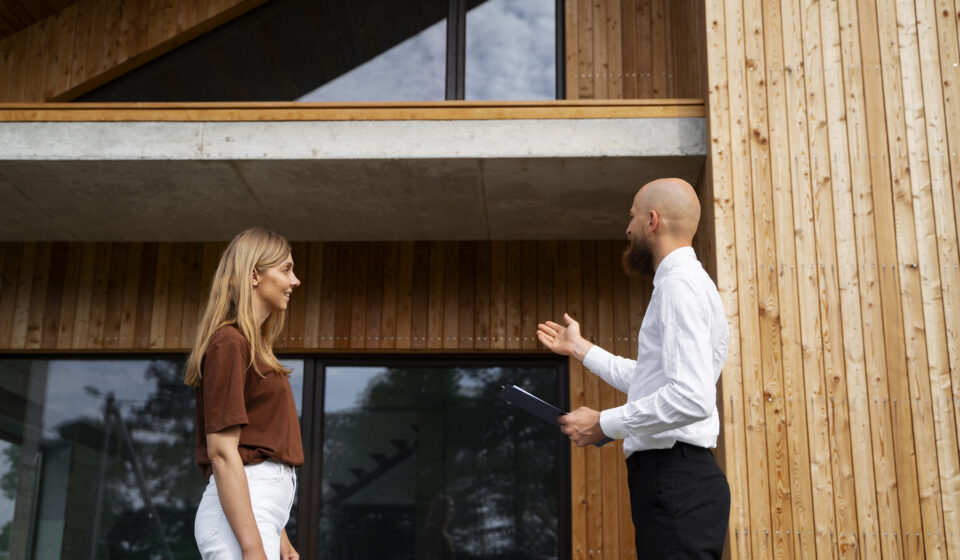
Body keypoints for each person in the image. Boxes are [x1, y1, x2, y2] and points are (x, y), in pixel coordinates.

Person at [537, 178, 730, 559]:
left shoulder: (679, 287)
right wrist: (580, 347)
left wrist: (603, 423)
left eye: (632, 217)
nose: (627, 228)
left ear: (652, 221)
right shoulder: (694, 285)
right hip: (678, 480)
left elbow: (691, 398)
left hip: (674, 478)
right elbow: (653, 380)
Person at [185, 227, 303, 560]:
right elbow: (223, 453)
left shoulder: (253, 347)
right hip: (237, 521)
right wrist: (252, 547)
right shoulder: (229, 343)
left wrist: (279, 535)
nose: (295, 281)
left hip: (258, 513)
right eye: (286, 269)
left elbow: (256, 446)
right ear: (254, 274)